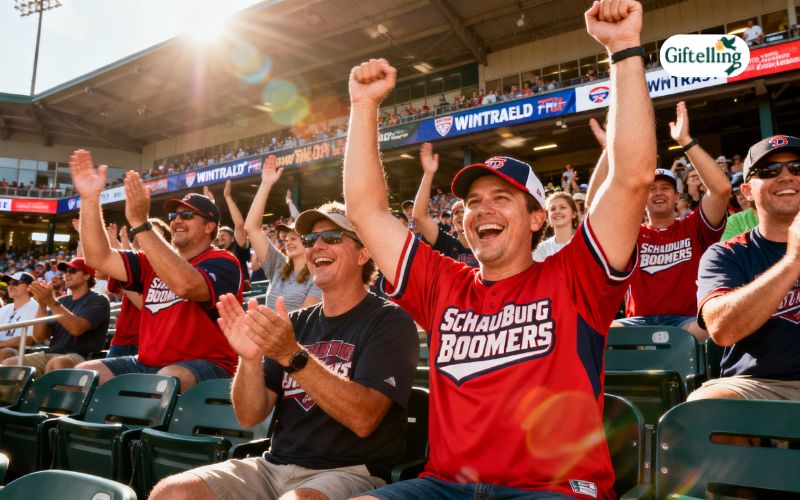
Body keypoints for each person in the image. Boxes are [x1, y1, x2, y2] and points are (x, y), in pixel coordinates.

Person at [344, 0, 655, 496]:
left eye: (502, 199)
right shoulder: (443, 283)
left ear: (537, 217)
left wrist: (622, 49)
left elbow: (632, 178)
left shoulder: (577, 276)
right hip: (444, 486)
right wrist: (363, 108)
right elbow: (365, 211)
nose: (482, 209)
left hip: (551, 489)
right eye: (472, 202)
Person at [150, 203, 418, 500]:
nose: (316, 246)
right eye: (309, 240)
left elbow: (364, 419)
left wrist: (293, 356)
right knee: (172, 492)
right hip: (273, 466)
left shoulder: (389, 321)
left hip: (348, 470)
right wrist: (249, 358)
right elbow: (250, 416)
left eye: (331, 237)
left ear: (363, 253)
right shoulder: (295, 323)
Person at [69, 149, 242, 392]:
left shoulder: (224, 261)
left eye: (188, 215)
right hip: (147, 363)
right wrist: (89, 200)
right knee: (82, 374)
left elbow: (186, 285)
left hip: (208, 366)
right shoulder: (152, 261)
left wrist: (141, 224)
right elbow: (98, 257)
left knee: (167, 378)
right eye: (174, 214)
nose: (177, 220)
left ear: (209, 226)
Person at [606, 101, 731, 342]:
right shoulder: (630, 233)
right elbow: (596, 209)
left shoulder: (693, 226)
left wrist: (686, 141)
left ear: (676, 196)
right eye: (651, 189)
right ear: (641, 199)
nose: (659, 193)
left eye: (665, 188)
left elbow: (722, 189)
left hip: (687, 323)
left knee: (711, 327)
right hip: (636, 323)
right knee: (597, 330)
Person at [690, 135, 800, 402]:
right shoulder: (726, 253)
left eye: (797, 168)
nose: (786, 176)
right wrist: (792, 262)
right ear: (747, 191)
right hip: (759, 386)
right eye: (770, 171)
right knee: (704, 407)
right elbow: (721, 330)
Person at [2, 258, 110, 374]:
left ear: (87, 276)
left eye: (72, 271)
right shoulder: (61, 300)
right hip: (51, 353)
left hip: (82, 355)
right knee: (9, 364)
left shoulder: (99, 300)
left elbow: (76, 329)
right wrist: (42, 305)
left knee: (56, 364)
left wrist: (51, 302)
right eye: (65, 271)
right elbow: (39, 337)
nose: (67, 274)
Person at [244, 156, 322, 312]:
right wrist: (266, 184)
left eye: (294, 238)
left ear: (308, 241)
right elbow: (251, 227)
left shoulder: (318, 273)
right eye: (286, 238)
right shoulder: (278, 266)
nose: (287, 241)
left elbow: (305, 317)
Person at [412, 143, 477, 267]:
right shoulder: (446, 243)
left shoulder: (487, 245)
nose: (459, 215)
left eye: (463, 211)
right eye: (456, 213)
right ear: (452, 222)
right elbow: (419, 216)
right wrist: (428, 173)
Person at [217, 180, 253, 285]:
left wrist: (228, 197)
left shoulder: (237, 248)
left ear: (232, 238)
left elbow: (239, 225)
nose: (220, 237)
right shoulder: (215, 250)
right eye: (219, 235)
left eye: (224, 235)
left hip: (241, 294)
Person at [0, 272, 40, 361]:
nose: (10, 286)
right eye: (8, 284)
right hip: (5, 349)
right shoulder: (4, 309)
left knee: (4, 353)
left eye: (15, 283)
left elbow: (27, 339)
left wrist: (1, 344)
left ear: (29, 287)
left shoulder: (37, 308)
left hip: (24, 351)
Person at [533, 192, 579, 262]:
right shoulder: (542, 249)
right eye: (552, 209)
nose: (557, 211)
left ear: (574, 214)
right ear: (548, 218)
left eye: (562, 207)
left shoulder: (584, 244)